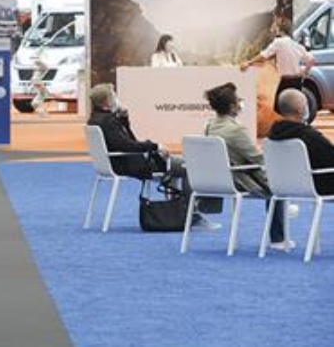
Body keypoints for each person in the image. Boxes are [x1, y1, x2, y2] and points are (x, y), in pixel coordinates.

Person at [87, 83, 220, 230]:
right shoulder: (108, 121)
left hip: (117, 163)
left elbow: (128, 141)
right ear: (106, 101)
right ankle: (192, 216)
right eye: (114, 96)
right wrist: (155, 146)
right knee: (189, 167)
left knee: (177, 166)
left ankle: (179, 214)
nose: (116, 99)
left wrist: (124, 121)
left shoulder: (95, 119)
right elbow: (128, 145)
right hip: (131, 164)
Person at [203, 82, 290, 249]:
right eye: (238, 100)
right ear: (232, 107)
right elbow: (257, 158)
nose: (240, 102)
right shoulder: (236, 130)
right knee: (277, 184)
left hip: (219, 178)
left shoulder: (209, 125)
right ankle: (278, 239)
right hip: (238, 178)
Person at [268, 89, 334, 196]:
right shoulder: (309, 136)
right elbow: (330, 158)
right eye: (306, 104)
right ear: (301, 109)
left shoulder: (272, 136)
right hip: (316, 185)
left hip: (282, 186)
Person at [241, 20, 315, 114]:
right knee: (295, 108)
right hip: (297, 81)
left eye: (276, 28)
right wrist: (305, 72)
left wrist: (249, 63)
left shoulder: (278, 42)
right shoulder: (296, 45)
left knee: (279, 109)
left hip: (286, 81)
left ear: (279, 30)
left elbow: (264, 56)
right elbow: (311, 60)